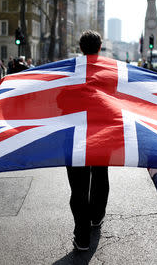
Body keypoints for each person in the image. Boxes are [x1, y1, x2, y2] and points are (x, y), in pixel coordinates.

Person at [66, 30, 109, 252]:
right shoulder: (110, 72)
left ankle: (82, 237)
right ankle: (96, 217)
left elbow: (60, 100)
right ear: (99, 48)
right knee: (100, 177)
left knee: (79, 188)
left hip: (75, 137)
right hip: (102, 136)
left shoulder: (70, 71)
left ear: (80, 48)